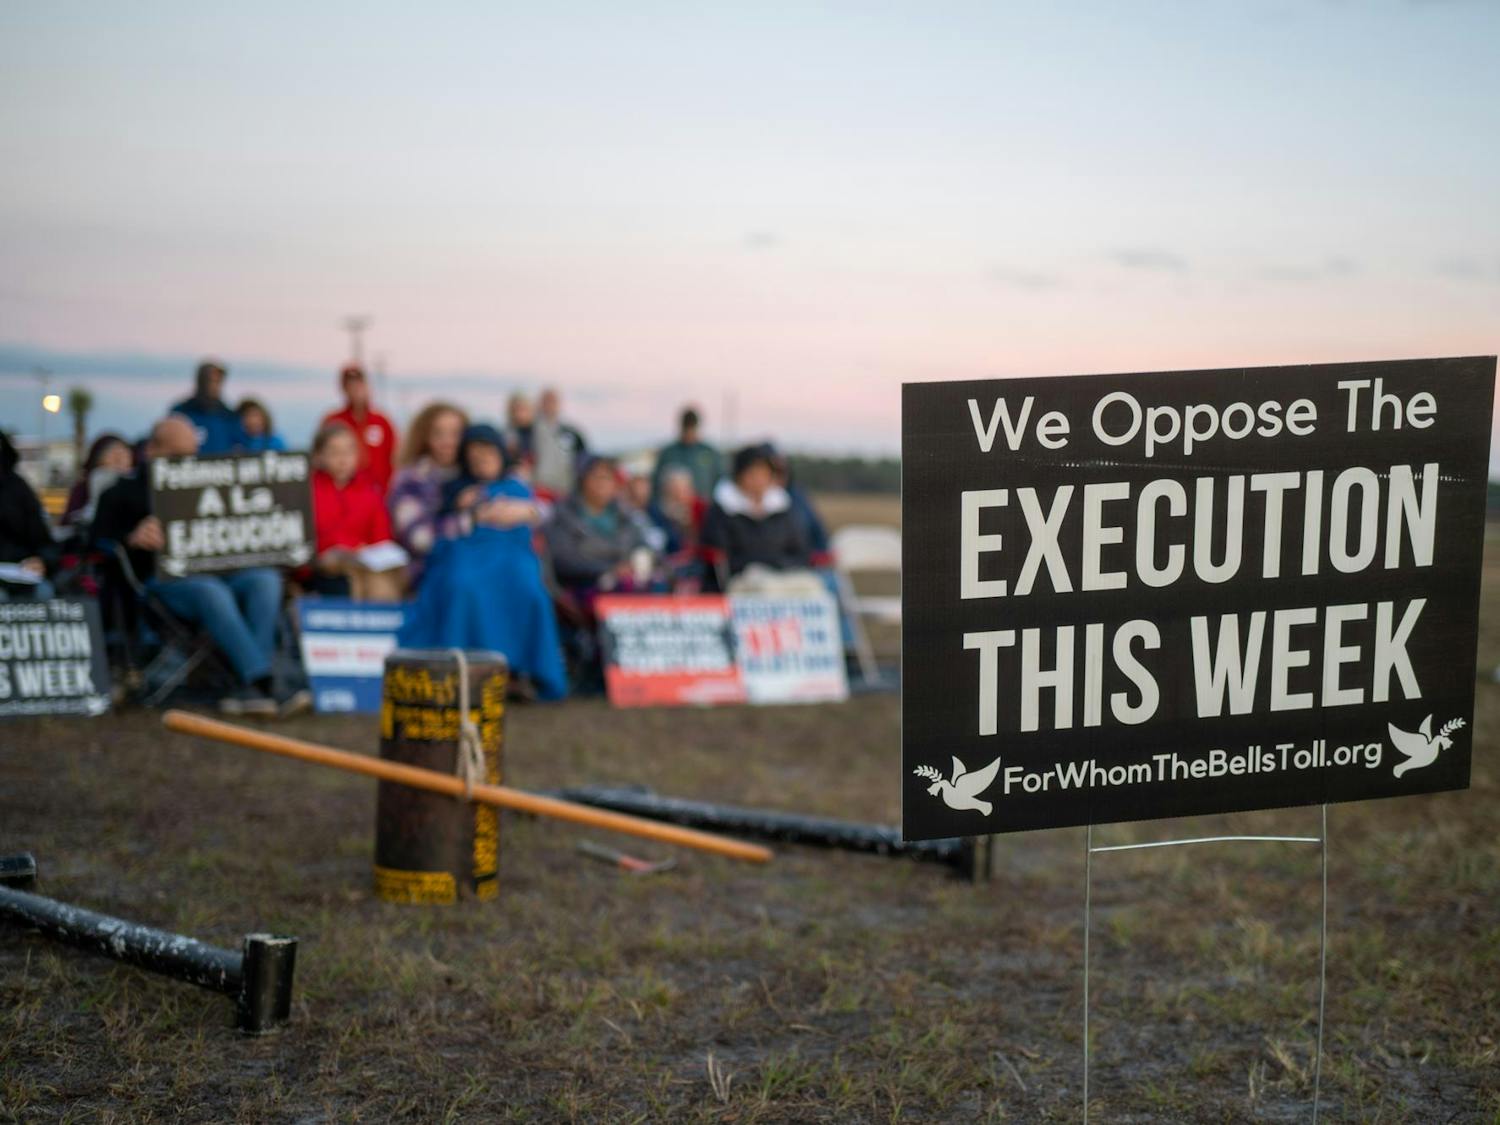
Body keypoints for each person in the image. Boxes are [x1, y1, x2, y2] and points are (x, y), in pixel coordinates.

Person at [91, 415, 309, 717]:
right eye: (178, 456)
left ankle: (251, 686)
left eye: (193, 454)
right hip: (163, 581)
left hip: (221, 572)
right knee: (210, 591)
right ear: (152, 450)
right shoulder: (120, 493)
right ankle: (262, 680)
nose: (187, 462)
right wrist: (132, 538)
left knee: (265, 580)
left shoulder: (210, 481)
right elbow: (95, 543)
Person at [398, 424, 567, 700]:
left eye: (487, 453)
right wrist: (473, 515)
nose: (481, 460)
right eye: (474, 455)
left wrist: (527, 511)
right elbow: (428, 535)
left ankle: (517, 672)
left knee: (530, 591)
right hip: (466, 555)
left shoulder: (518, 487)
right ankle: (464, 671)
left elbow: (548, 511)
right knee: (464, 586)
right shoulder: (455, 490)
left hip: (512, 557)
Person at [309, 423, 404, 601]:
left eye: (349, 452)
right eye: (334, 453)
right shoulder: (308, 491)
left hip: (365, 564)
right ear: (319, 456)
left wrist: (364, 551)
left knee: (382, 584)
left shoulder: (370, 492)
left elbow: (382, 538)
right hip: (324, 567)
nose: (343, 459)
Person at [701, 444, 812, 587]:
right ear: (739, 476)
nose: (759, 479)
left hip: (786, 577)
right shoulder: (722, 510)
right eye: (753, 473)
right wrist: (762, 564)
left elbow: (801, 552)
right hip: (742, 582)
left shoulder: (784, 509)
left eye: (764, 473)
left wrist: (780, 565)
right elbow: (723, 558)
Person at [546, 456, 656, 601]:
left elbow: (644, 547)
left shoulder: (625, 516)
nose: (602, 484)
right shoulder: (563, 515)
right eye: (597, 477)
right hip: (585, 587)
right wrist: (609, 570)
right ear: (582, 480)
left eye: (608, 478)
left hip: (628, 585)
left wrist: (641, 562)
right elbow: (564, 561)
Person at [386, 401, 470, 585]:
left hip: (477, 565)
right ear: (425, 438)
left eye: (456, 434)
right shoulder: (411, 480)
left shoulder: (477, 475)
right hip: (429, 571)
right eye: (438, 434)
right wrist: (470, 521)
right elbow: (420, 538)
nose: (447, 441)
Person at [321, 364, 399, 494]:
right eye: (349, 385)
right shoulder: (333, 421)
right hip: (343, 497)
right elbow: (321, 458)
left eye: (358, 384)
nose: (355, 389)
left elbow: (395, 458)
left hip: (380, 496)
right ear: (343, 389)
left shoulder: (382, 422)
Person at [0, 431, 58, 600]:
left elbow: (44, 541)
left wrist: (41, 561)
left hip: (19, 571)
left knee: (44, 592)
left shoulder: (18, 489)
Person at [768, 446, 830, 559]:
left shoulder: (798, 497)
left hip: (803, 562)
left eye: (782, 471)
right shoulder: (744, 504)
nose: (779, 477)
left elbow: (818, 532)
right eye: (773, 471)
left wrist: (821, 556)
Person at [170, 360, 244, 453]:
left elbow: (240, 446)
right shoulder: (180, 414)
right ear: (200, 382)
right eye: (209, 380)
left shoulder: (229, 417)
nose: (213, 386)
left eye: (217, 381)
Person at [62, 433, 134, 529]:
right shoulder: (84, 487)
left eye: (123, 454)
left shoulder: (138, 484)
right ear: (98, 459)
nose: (119, 459)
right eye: (113, 454)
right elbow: (69, 521)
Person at [652, 406, 722, 503]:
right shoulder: (668, 453)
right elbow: (656, 482)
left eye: (692, 430)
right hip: (673, 510)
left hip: (704, 509)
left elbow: (721, 481)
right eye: (686, 430)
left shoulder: (709, 452)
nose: (689, 434)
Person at [531, 387, 588, 496]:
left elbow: (583, 458)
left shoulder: (571, 431)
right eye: (546, 400)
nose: (550, 405)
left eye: (553, 401)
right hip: (538, 490)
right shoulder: (530, 430)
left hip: (564, 490)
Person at [502, 392, 535, 472]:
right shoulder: (506, 434)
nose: (520, 414)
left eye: (523, 409)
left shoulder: (539, 433)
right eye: (516, 410)